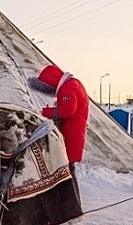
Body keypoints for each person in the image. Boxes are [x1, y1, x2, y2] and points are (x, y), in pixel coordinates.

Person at [28, 64, 89, 198]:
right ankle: (71, 204)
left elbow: (68, 110)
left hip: (70, 134)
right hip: (74, 132)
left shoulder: (68, 88)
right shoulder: (73, 84)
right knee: (68, 170)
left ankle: (72, 205)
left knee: (67, 172)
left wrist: (44, 112)